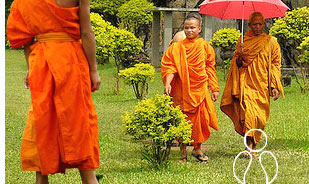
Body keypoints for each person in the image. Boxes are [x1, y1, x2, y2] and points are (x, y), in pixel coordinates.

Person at [6, 0, 101, 183]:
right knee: (78, 118)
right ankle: (89, 177)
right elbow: (86, 32)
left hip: (41, 62)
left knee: (43, 119)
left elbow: (25, 37)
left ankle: (42, 176)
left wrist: (30, 67)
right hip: (71, 59)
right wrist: (94, 70)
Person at [220, 12, 284, 158]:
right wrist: (240, 55)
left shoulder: (271, 41)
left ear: (264, 24)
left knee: (259, 117)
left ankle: (252, 145)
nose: (257, 27)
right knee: (248, 114)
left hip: (262, 84)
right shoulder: (243, 40)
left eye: (260, 24)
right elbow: (237, 64)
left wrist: (274, 85)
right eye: (254, 24)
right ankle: (250, 148)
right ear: (249, 25)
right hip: (246, 83)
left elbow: (275, 64)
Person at [161, 13, 219, 162]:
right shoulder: (176, 48)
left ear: (199, 28)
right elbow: (170, 67)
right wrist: (168, 83)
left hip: (199, 90)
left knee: (201, 120)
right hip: (182, 90)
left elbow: (210, 68)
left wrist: (214, 88)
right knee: (183, 120)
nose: (189, 31)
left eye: (193, 28)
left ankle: (197, 148)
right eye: (186, 28)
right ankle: (183, 152)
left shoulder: (205, 47)